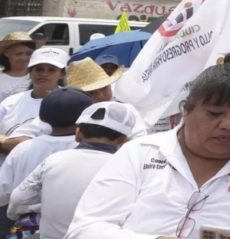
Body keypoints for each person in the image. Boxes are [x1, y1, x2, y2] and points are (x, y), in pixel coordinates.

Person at [66, 54, 230, 239]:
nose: (229, 125)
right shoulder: (141, 153)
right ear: (185, 111)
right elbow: (84, 230)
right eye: (215, 113)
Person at [7, 101, 137, 239]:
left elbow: (18, 198)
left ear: (78, 133)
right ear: (123, 139)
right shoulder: (126, 168)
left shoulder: (53, 161)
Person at [2, 57, 148, 152]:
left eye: (104, 88)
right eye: (91, 92)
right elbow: (12, 142)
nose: (100, 95)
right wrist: (53, 145)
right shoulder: (63, 114)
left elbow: (141, 148)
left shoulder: (127, 111)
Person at [0, 87, 93, 233]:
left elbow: (2, 193)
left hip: (28, 228)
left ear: (42, 118)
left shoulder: (23, 148)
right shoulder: (92, 150)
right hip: (78, 227)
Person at [0, 48, 68, 166]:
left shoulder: (71, 103)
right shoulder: (10, 102)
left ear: (62, 74)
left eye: (52, 70)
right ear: (30, 71)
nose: (44, 73)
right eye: (39, 69)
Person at [0, 33, 43, 104]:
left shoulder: (41, 77)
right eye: (19, 54)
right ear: (6, 53)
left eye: (29, 54)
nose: (24, 58)